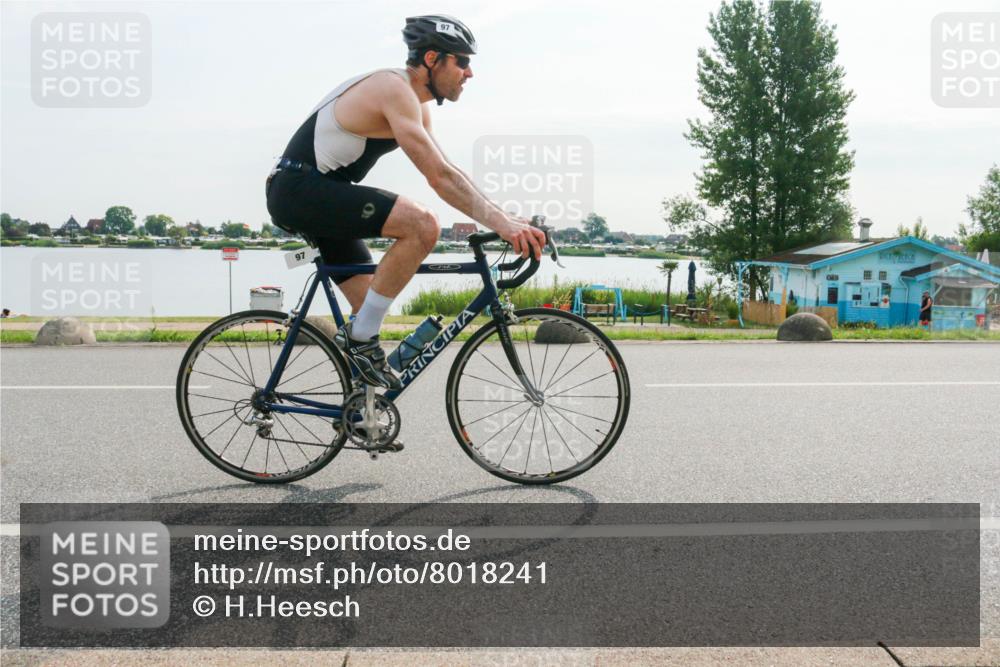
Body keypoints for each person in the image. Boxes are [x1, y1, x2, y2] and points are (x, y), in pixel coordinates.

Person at [266, 15, 546, 390]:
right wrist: (503, 225)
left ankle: (360, 410)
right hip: (300, 189)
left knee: (368, 310)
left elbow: (450, 171)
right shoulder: (393, 88)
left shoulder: (415, 104)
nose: (470, 73)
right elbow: (439, 178)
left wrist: (506, 218)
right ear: (432, 58)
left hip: (316, 192)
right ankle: (361, 343)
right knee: (422, 225)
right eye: (462, 61)